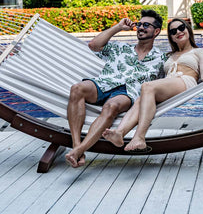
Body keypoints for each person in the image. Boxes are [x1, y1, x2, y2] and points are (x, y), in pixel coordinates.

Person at [65, 9, 166, 168]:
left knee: (111, 106)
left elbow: (179, 70)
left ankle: (78, 151)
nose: (140, 27)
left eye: (146, 25)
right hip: (104, 83)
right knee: (77, 88)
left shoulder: (161, 58)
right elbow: (94, 45)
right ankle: (77, 147)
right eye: (139, 24)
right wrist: (118, 27)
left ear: (157, 31)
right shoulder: (121, 47)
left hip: (127, 93)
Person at [102, 18, 203, 152]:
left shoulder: (199, 52)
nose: (178, 32)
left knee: (147, 87)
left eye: (181, 28)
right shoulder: (169, 55)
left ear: (188, 30)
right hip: (169, 86)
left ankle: (139, 137)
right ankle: (120, 133)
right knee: (141, 98)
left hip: (186, 82)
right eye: (173, 31)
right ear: (171, 37)